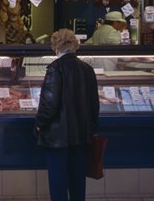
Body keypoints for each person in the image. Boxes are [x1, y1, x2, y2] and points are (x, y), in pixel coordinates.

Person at [35, 29, 100, 201]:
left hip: (57, 136)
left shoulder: (55, 69)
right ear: (75, 46)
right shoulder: (87, 69)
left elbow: (49, 103)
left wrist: (40, 123)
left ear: (55, 47)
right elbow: (94, 103)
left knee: (58, 182)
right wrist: (92, 128)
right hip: (82, 134)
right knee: (78, 180)